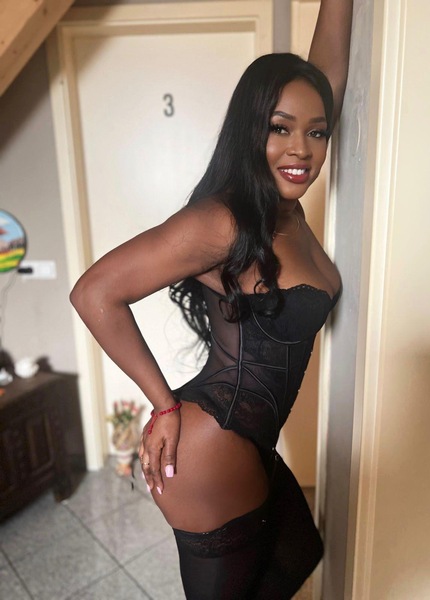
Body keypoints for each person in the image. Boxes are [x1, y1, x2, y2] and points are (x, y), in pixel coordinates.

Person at [70, 1, 353, 597]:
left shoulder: (287, 211)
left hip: (250, 439)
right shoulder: (224, 221)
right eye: (280, 128)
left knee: (301, 550)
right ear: (251, 129)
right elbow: (96, 292)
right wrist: (162, 406)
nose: (302, 149)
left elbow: (327, 76)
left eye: (316, 131)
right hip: (211, 443)